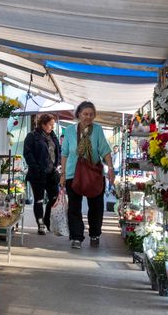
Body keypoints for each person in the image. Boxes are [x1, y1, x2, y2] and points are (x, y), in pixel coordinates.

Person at [59, 101, 114, 249]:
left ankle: (95, 234)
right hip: (72, 173)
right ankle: (77, 237)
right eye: (85, 114)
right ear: (78, 115)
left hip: (94, 173)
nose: (88, 117)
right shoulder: (70, 131)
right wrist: (63, 174)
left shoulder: (97, 129)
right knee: (74, 207)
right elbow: (64, 154)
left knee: (96, 206)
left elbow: (104, 149)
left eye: (91, 114)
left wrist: (110, 167)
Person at [23, 113, 61, 235]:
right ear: (43, 124)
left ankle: (46, 220)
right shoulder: (32, 136)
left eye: (53, 125)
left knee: (54, 199)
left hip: (52, 173)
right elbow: (27, 153)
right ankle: (41, 224)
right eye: (50, 124)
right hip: (37, 174)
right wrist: (35, 166)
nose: (52, 127)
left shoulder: (53, 136)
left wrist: (58, 166)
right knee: (39, 200)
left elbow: (57, 152)